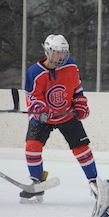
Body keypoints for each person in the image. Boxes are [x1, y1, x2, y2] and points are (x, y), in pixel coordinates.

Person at [20, 34, 97, 203]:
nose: (61, 56)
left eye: (64, 52)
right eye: (57, 53)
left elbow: (76, 87)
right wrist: (40, 110)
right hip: (44, 117)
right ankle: (37, 182)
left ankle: (94, 183)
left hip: (66, 113)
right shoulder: (35, 72)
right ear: (48, 51)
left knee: (81, 147)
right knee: (32, 146)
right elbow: (32, 96)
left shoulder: (71, 65)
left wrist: (80, 103)